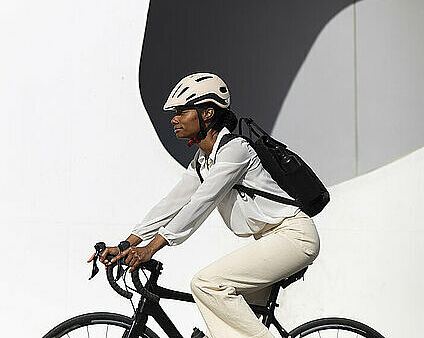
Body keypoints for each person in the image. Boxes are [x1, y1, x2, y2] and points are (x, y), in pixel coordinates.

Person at [88, 72, 320, 338]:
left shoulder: (235, 150)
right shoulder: (203, 160)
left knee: (207, 284)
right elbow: (171, 203)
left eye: (182, 111)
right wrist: (127, 244)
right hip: (270, 240)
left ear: (207, 113)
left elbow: (202, 202)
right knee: (222, 328)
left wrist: (151, 248)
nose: (174, 119)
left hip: (293, 237)